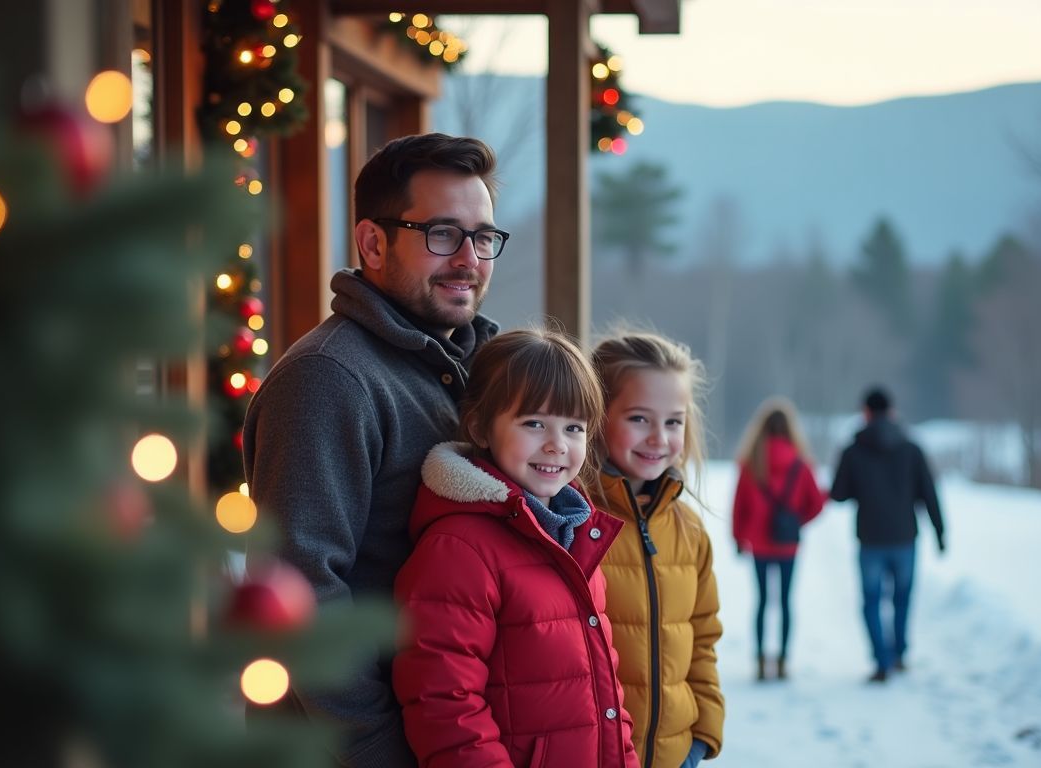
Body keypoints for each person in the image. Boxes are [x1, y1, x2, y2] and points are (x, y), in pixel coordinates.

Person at [241, 133, 504, 766]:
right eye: (442, 233)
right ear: (373, 243)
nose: (469, 258)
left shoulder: (470, 371)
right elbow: (300, 589)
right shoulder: (330, 379)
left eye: (483, 236)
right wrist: (383, 748)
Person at [392, 329, 639, 768]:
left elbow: (605, 691)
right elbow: (444, 702)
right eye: (534, 423)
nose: (556, 444)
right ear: (480, 427)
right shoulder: (459, 549)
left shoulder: (578, 538)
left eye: (574, 427)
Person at [587, 332, 724, 768]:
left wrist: (702, 734)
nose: (658, 438)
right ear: (597, 415)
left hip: (676, 754)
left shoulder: (689, 531)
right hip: (596, 753)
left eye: (673, 422)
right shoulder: (573, 519)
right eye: (639, 418)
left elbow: (702, 636)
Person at [829, 386, 945, 684]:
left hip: (870, 539)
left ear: (865, 413)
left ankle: (882, 660)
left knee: (871, 601)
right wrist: (940, 531)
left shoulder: (853, 450)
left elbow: (839, 494)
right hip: (906, 538)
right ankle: (900, 654)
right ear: (892, 412)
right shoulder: (912, 448)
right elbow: (929, 494)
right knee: (902, 598)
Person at [730, 397, 825, 682]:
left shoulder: (751, 463)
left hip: (758, 544)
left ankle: (759, 659)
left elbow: (739, 506)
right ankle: (783, 660)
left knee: (760, 602)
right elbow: (816, 503)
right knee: (784, 602)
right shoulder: (801, 463)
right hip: (787, 545)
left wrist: (738, 537)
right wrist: (797, 522)